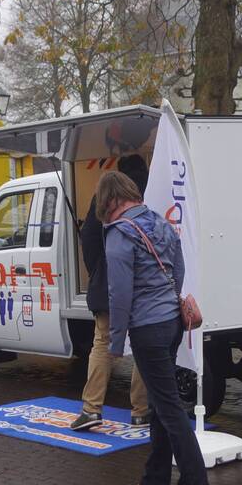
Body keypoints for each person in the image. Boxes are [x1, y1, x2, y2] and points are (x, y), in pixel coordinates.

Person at [98, 171, 211, 485]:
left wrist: (115, 342)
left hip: (147, 328)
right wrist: (166, 300)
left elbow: (120, 295)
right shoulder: (161, 223)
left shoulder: (120, 235)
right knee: (160, 407)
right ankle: (155, 482)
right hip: (172, 322)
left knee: (170, 408)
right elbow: (178, 269)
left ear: (109, 200)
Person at [70, 155, 150, 431]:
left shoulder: (104, 199)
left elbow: (89, 238)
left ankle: (92, 409)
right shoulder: (151, 194)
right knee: (141, 346)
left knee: (102, 343)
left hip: (108, 286)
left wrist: (98, 273)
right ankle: (141, 411)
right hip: (143, 287)